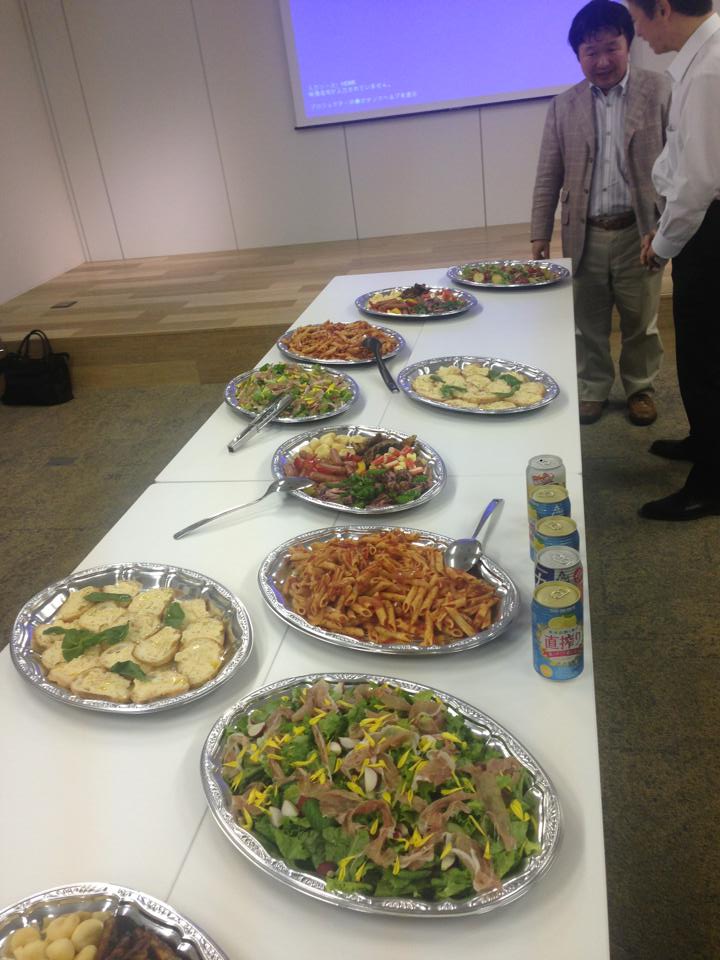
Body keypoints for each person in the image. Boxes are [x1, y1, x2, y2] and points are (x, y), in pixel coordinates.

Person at [531, 0, 670, 426]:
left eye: (612, 48)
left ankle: (640, 387)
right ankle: (592, 388)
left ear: (628, 44)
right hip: (585, 233)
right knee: (586, 322)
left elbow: (679, 161)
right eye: (591, 52)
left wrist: (669, 225)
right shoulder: (563, 105)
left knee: (641, 321)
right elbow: (548, 172)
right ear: (578, 55)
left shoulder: (660, 90)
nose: (603, 61)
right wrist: (539, 233)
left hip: (639, 231)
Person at [625, 0, 720, 521]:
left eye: (635, 16)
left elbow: (698, 183)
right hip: (699, 225)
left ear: (662, 8)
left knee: (707, 360)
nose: (636, 30)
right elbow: (677, 158)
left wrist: (662, 246)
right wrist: (662, 227)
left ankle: (711, 483)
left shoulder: (708, 68)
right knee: (701, 352)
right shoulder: (697, 60)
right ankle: (704, 441)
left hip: (711, 232)